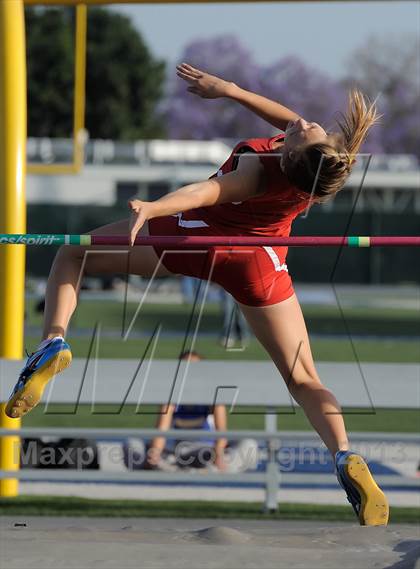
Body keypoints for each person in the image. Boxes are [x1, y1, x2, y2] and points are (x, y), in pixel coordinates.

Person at [6, 63, 388, 526]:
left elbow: (206, 192)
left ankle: (53, 342)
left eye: (303, 131)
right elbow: (285, 119)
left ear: (289, 153)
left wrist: (152, 208)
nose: (304, 122)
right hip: (260, 262)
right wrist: (228, 90)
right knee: (303, 377)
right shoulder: (320, 168)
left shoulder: (259, 168)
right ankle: (343, 453)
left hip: (198, 240)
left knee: (72, 255)